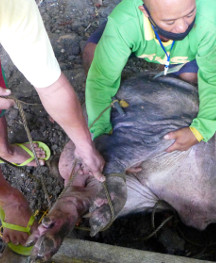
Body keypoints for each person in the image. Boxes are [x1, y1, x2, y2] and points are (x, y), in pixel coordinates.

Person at [0, 0, 106, 255]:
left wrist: (85, 147)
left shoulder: (12, 8)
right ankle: (7, 195)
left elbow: (51, 86)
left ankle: (4, 150)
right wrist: (8, 197)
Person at [83, 0, 216, 152]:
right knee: (93, 56)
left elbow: (215, 76)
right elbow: (101, 80)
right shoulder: (125, 22)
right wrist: (101, 132)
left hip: (182, 51)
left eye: (189, 14)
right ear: (145, 12)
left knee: (189, 78)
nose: (182, 26)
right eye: (170, 21)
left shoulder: (210, 16)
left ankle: (166, 65)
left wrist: (201, 130)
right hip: (135, 35)